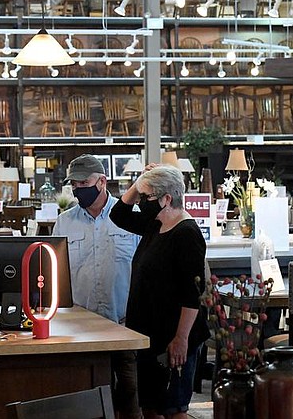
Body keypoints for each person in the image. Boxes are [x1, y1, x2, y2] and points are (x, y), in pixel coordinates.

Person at [110, 164, 208, 419]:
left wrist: (181, 339)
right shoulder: (155, 224)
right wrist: (140, 182)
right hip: (148, 333)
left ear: (167, 199)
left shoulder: (186, 233)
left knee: (173, 409)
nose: (142, 202)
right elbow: (119, 214)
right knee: (150, 407)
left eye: (147, 197)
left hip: (172, 336)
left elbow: (192, 293)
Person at [53, 154, 142, 419]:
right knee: (87, 403)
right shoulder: (64, 222)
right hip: (81, 332)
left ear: (102, 181)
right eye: (74, 184)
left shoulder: (131, 220)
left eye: (84, 183)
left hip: (124, 326)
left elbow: (143, 271)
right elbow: (56, 273)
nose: (79, 189)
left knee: (132, 398)